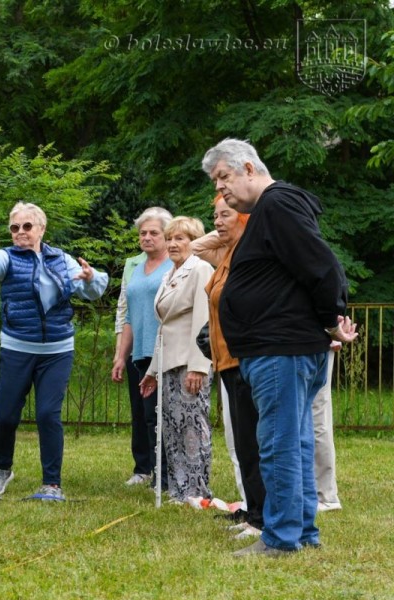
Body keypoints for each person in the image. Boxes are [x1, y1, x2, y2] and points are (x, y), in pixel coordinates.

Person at [202, 138, 355, 556]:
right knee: (296, 441)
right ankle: (302, 531)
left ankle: (281, 537)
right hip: (280, 348)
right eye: (215, 181)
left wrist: (331, 319)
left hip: (280, 349)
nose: (220, 188)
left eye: (224, 176)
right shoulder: (272, 209)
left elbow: (322, 265)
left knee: (278, 443)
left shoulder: (277, 204)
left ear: (249, 168)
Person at [0, 192, 108, 501]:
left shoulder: (62, 259)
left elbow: (93, 289)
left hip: (57, 350)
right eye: (14, 227)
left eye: (27, 226)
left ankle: (52, 484)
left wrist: (90, 278)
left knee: (48, 414)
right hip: (18, 347)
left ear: (42, 229)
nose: (20, 232)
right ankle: (2, 469)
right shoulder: (7, 258)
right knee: (5, 415)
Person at [194, 195, 263, 538]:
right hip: (225, 361)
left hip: (244, 359)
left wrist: (242, 225)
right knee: (242, 444)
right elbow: (195, 247)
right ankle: (253, 510)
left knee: (253, 443)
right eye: (214, 216)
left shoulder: (251, 255)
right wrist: (226, 229)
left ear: (246, 219)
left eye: (225, 215)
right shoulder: (228, 254)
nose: (217, 222)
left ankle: (261, 519)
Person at [140, 216, 214, 503]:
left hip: (189, 362)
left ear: (194, 242)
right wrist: (152, 371)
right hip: (169, 363)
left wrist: (199, 366)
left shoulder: (200, 269)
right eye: (169, 238)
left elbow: (204, 319)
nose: (172, 244)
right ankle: (179, 489)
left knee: (193, 428)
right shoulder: (170, 273)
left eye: (179, 238)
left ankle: (196, 490)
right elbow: (165, 327)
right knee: (172, 428)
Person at [111, 208, 174, 487]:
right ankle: (147, 469)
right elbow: (129, 316)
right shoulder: (135, 269)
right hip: (140, 353)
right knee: (144, 415)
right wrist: (120, 356)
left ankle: (166, 475)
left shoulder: (175, 265)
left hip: (165, 351)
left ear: (166, 235)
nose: (146, 237)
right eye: (142, 233)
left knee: (159, 415)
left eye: (153, 233)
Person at [313, 345, 343, 511]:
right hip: (314, 339)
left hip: (316, 341)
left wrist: (333, 333)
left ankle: (325, 495)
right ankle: (323, 493)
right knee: (318, 414)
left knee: (317, 416)